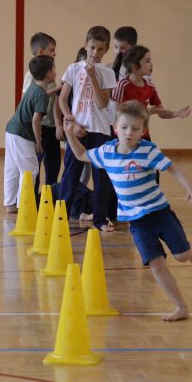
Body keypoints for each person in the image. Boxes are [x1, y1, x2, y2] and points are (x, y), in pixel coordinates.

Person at [63, 101, 192, 321]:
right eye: (125, 127)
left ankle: (188, 252)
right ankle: (181, 307)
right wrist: (70, 134)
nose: (129, 132)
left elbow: (173, 169)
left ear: (143, 131)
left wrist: (191, 190)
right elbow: (81, 155)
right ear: (115, 128)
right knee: (157, 266)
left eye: (135, 128)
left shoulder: (148, 150)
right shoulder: (107, 151)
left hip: (160, 213)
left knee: (181, 256)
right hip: (137, 222)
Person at [57, 26, 118, 231]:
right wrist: (71, 121)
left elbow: (102, 103)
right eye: (92, 47)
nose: (95, 52)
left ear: (106, 50)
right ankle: (61, 216)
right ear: (86, 45)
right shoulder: (73, 68)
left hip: (100, 132)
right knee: (70, 175)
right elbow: (63, 100)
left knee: (101, 179)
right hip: (78, 131)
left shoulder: (107, 73)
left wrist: (92, 76)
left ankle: (100, 219)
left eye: (100, 49)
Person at [5, 55, 55, 212]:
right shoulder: (41, 95)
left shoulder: (33, 88)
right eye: (54, 69)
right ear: (49, 74)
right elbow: (36, 120)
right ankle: (24, 206)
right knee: (30, 171)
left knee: (12, 169)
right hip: (23, 135)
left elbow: (41, 97)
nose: (55, 71)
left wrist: (55, 90)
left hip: (11, 130)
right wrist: (38, 142)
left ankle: (10, 204)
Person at [21, 32, 62, 186]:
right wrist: (57, 89)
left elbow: (53, 100)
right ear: (40, 52)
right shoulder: (31, 75)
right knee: (35, 165)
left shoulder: (50, 73)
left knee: (53, 165)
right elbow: (28, 99)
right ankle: (33, 196)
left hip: (51, 125)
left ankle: (49, 195)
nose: (54, 53)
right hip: (39, 126)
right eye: (52, 50)